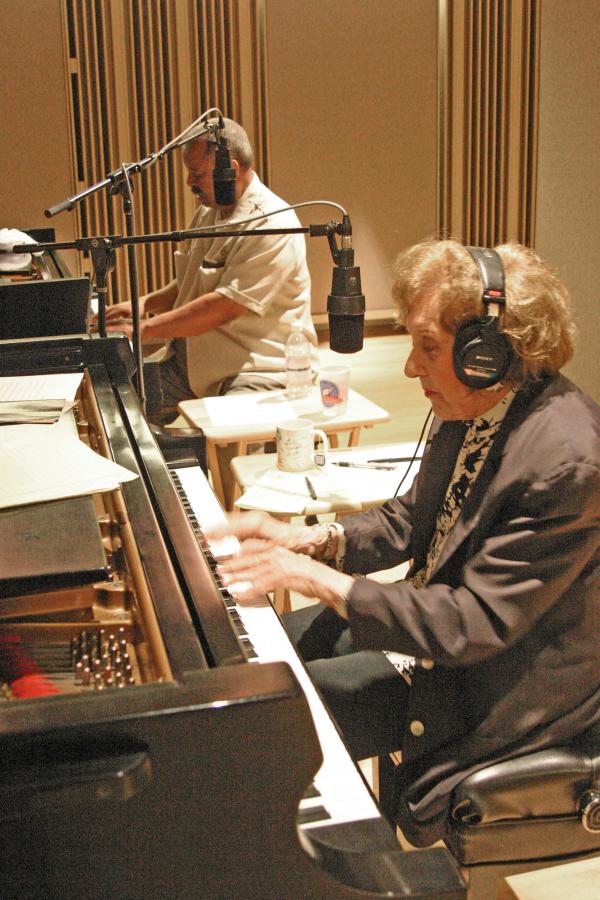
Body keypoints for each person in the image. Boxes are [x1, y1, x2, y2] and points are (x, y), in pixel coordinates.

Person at [209, 239, 600, 847]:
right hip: (433, 629)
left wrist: (318, 581)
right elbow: (413, 517)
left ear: (489, 354)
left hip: (491, 680)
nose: (411, 368)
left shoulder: (567, 459)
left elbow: (472, 625)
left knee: (266, 723)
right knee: (258, 655)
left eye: (427, 347)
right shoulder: (473, 404)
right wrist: (313, 541)